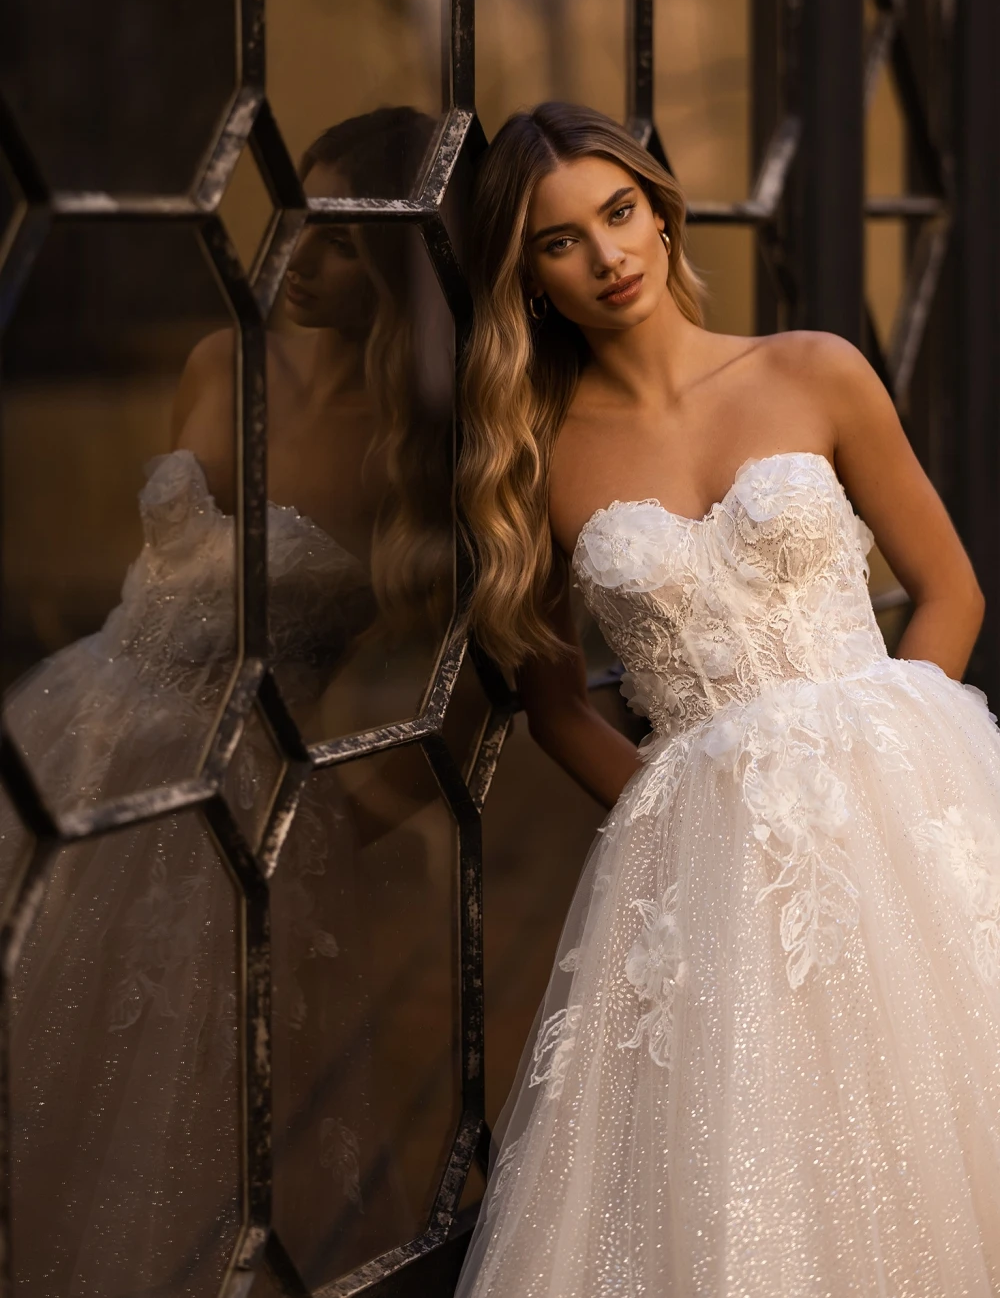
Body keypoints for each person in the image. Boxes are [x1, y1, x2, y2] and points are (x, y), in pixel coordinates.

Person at [453, 100, 1000, 1296]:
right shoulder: (538, 455)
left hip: (903, 813)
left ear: (659, 208)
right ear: (530, 279)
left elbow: (948, 589)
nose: (608, 255)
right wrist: (681, 819)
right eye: (560, 241)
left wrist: (883, 761)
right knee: (753, 1174)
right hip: (707, 868)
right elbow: (554, 710)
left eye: (619, 210)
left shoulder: (813, 368)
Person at [2, 106, 452, 1295]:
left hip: (228, 808)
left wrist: (337, 829)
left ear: (410, 263)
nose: (297, 254)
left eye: (344, 243)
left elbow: (482, 690)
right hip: (71, 734)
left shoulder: (419, 451)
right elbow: (162, 573)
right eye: (296, 219)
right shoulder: (217, 357)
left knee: (178, 1116)